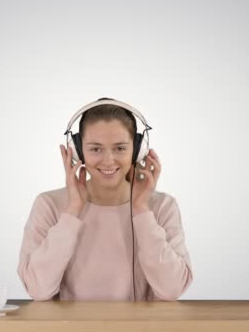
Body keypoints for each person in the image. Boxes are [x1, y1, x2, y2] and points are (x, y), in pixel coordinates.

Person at [17, 98, 193, 301]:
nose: (108, 160)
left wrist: (141, 210)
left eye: (120, 148)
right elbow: (38, 290)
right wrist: (73, 210)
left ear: (137, 150)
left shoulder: (162, 206)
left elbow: (171, 290)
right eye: (95, 149)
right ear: (77, 151)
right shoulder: (49, 205)